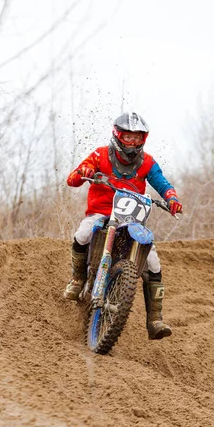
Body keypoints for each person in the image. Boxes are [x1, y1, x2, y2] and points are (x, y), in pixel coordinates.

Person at [63, 112, 183, 340]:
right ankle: (78, 279)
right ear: (118, 136)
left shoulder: (147, 162)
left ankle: (155, 320)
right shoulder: (99, 155)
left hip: (132, 219)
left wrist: (172, 199)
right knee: (82, 234)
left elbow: (162, 183)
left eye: (137, 139)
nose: (133, 143)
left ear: (143, 139)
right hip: (101, 213)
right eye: (128, 138)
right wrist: (84, 172)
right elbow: (72, 179)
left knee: (153, 263)